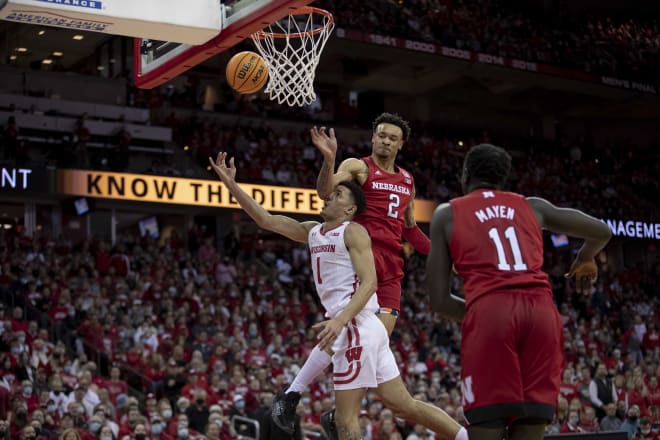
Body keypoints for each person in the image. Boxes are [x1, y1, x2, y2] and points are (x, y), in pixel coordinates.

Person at [209, 152, 467, 440]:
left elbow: (369, 284)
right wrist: (231, 185)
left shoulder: (354, 232)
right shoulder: (313, 231)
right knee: (402, 405)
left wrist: (341, 320)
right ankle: (464, 437)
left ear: (350, 209)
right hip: (359, 328)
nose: (329, 195)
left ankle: (291, 395)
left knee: (345, 421)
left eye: (339, 193)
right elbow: (266, 220)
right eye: (331, 193)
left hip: (357, 325)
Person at [426, 144, 612, 440]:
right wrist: (584, 257)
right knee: (530, 427)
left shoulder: (447, 214)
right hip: (542, 313)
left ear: (465, 174)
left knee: (487, 424)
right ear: (503, 179)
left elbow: (438, 299)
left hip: (491, 313)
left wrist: (481, 314)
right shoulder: (533, 206)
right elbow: (602, 231)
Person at [273, 112, 430, 433]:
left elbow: (410, 230)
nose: (385, 140)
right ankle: (301, 399)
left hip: (392, 276)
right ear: (373, 138)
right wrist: (329, 159)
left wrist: (444, 256)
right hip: (361, 272)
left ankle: (326, 410)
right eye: (381, 135)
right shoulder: (358, 167)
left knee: (368, 345)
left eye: (392, 137)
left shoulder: (408, 181)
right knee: (351, 338)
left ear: (401, 144)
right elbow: (325, 191)